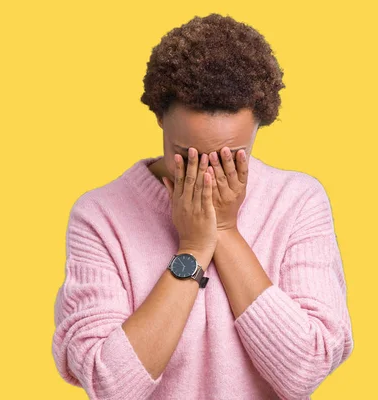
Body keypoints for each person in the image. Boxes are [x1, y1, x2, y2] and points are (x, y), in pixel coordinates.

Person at [51, 13, 353, 400]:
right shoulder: (100, 216)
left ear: (259, 128)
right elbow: (109, 386)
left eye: (231, 157)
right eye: (187, 155)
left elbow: (305, 370)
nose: (207, 175)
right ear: (159, 117)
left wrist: (224, 232)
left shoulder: (298, 202)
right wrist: (192, 250)